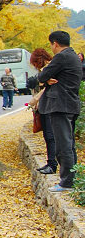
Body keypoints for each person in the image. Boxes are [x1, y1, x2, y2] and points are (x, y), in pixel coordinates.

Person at [37, 30, 82, 192]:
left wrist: (45, 78)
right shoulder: (74, 57)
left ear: (55, 43)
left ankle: (67, 182)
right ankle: (73, 178)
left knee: (63, 144)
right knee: (68, 143)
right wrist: (47, 79)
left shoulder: (62, 57)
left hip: (60, 105)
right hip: (70, 104)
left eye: (51, 45)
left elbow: (42, 76)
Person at [28, 48, 57, 174]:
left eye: (35, 63)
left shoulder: (51, 68)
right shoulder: (44, 71)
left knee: (50, 136)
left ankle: (52, 164)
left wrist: (36, 99)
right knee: (47, 136)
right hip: (44, 106)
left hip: (51, 105)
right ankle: (50, 162)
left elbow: (47, 88)